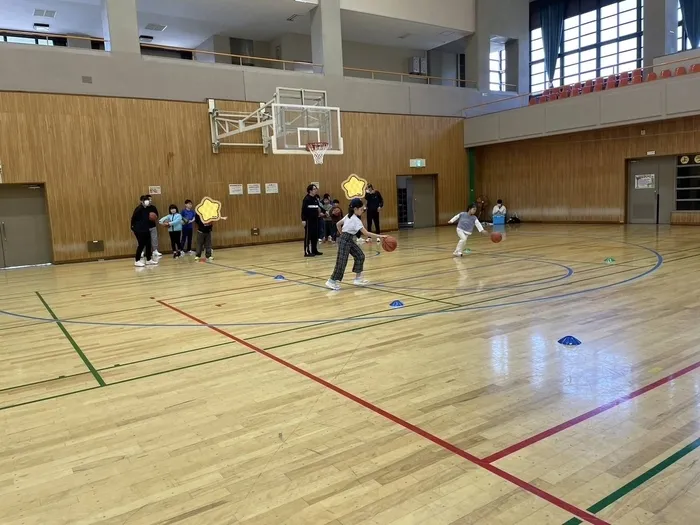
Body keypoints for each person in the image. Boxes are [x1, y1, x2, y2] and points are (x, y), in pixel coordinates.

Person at [326, 198, 385, 291]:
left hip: (347, 239)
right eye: (361, 209)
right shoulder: (355, 219)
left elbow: (338, 224)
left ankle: (358, 279)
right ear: (355, 209)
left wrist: (342, 234)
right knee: (341, 262)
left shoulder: (348, 216)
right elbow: (366, 233)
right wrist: (381, 236)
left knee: (360, 256)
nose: (362, 211)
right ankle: (331, 281)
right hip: (345, 240)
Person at [130, 195, 158, 267]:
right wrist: (133, 228)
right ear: (142, 201)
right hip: (139, 230)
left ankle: (149, 259)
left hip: (146, 229)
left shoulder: (147, 209)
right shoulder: (139, 209)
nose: (147, 202)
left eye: (148, 200)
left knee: (148, 243)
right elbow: (133, 219)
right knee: (141, 244)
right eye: (145, 200)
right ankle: (137, 260)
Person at [301, 184, 322, 257]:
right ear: (310, 190)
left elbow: (318, 207)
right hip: (308, 220)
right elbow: (303, 210)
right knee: (308, 236)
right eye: (314, 189)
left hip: (315, 220)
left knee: (314, 236)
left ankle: (314, 250)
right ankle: (307, 252)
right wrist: (303, 220)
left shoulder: (315, 198)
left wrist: (324, 212)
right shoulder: (306, 199)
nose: (316, 190)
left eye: (316, 189)